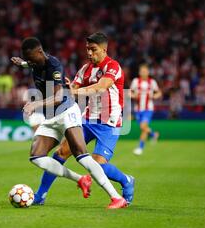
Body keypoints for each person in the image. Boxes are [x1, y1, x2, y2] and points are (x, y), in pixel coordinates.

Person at [11, 37, 127, 209]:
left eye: (30, 58)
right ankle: (80, 179)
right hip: (51, 116)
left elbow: (59, 97)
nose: (29, 61)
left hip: (66, 112)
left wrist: (36, 103)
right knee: (36, 156)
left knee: (82, 156)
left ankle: (117, 198)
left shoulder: (54, 65)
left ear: (39, 52)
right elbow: (34, 64)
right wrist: (23, 64)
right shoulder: (35, 63)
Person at [130, 64, 162, 155]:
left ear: (148, 72)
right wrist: (133, 95)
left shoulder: (152, 82)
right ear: (139, 72)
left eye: (145, 71)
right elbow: (129, 92)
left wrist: (155, 96)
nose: (143, 73)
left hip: (148, 109)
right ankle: (154, 134)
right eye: (142, 71)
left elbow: (159, 92)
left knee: (143, 127)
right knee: (143, 128)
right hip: (138, 109)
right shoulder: (136, 81)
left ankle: (140, 148)